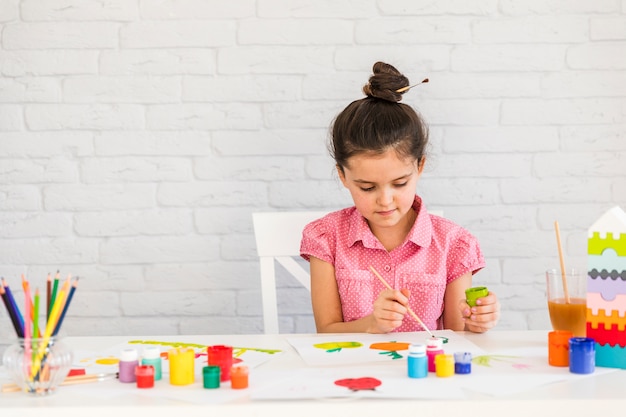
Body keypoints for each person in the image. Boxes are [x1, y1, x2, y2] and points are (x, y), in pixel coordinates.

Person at [300, 61, 500, 334]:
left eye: (400, 183)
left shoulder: (454, 245)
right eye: (367, 188)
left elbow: (457, 335)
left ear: (419, 167)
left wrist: (477, 321)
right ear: (343, 176)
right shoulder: (326, 238)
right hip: (355, 372)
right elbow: (326, 331)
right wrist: (371, 324)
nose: (385, 200)